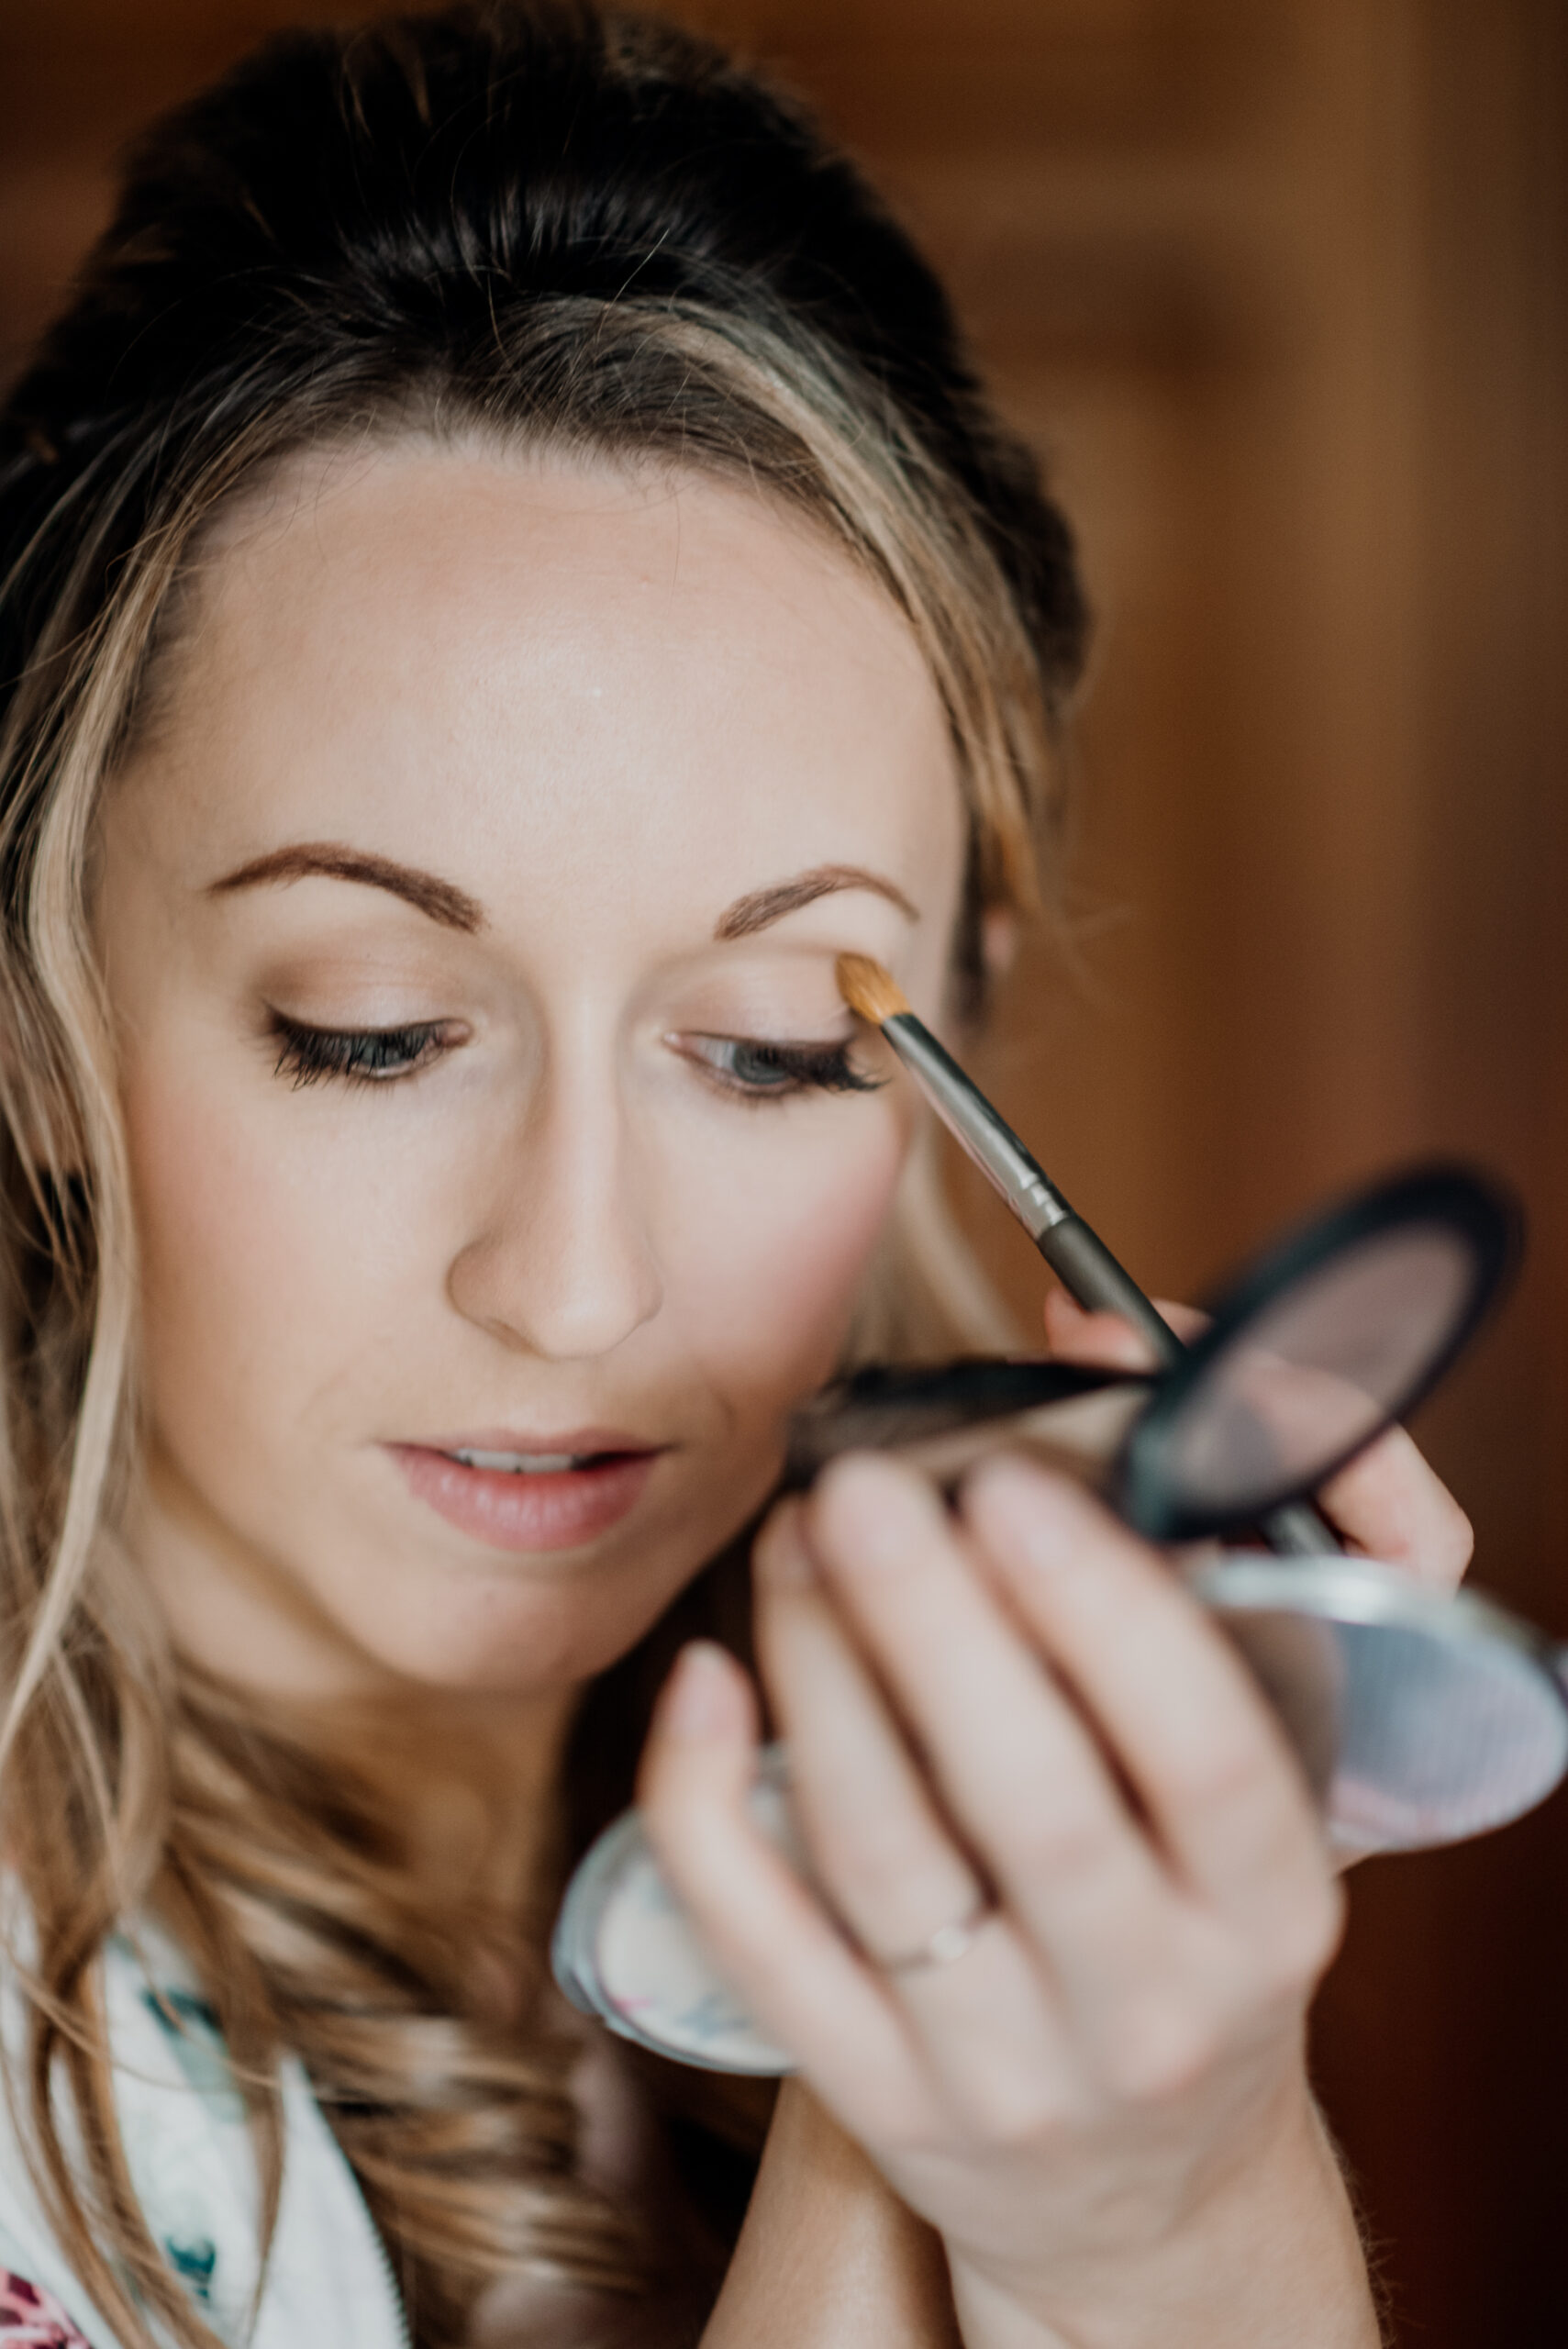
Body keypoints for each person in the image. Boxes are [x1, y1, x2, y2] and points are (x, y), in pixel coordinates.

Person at [0, 6, 1473, 2345]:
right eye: (367, 1027)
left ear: (956, 1018)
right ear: (31, 1009)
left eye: (775, 1048)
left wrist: (1097, 2140)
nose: (578, 1286)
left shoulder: (770, 1856)